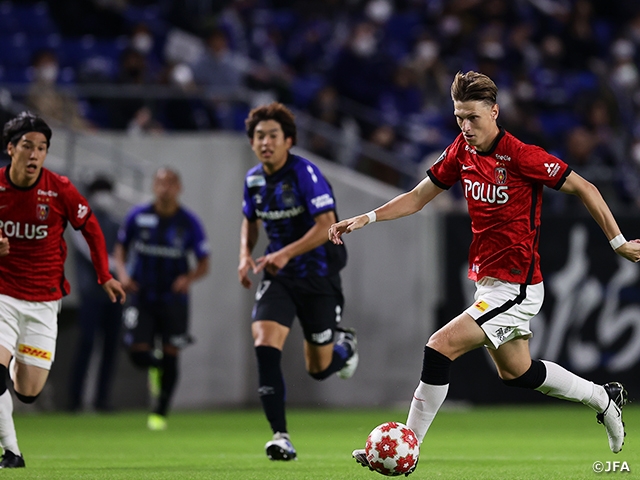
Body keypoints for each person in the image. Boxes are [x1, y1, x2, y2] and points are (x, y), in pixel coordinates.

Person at [329, 71, 640, 475]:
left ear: (494, 112)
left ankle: (407, 448)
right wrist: (366, 217)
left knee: (439, 346)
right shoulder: (461, 150)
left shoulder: (521, 155)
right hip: (488, 282)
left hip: (518, 285)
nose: (465, 126)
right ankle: (603, 398)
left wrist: (618, 243)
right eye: (459, 117)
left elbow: (586, 188)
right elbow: (418, 197)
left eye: (473, 118)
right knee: (518, 371)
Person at [0, 112, 126, 468]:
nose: (35, 154)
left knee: (27, 391)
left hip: (43, 300)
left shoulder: (59, 189)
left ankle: (8, 364)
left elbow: (91, 228)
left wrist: (104, 275)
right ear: (11, 149)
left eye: (42, 148)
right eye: (28, 146)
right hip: (3, 294)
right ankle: (12, 452)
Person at [238, 102, 359, 461]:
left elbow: (327, 224)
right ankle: (280, 436)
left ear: (288, 140)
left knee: (319, 368)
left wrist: (286, 252)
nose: (265, 142)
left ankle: (345, 347)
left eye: (273, 135)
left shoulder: (305, 173)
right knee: (264, 342)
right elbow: (249, 219)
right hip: (281, 277)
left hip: (319, 276)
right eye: (259, 136)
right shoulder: (253, 179)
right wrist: (245, 254)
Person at [114, 167, 209, 431]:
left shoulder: (188, 222)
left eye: (170, 183)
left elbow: (204, 263)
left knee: (172, 353)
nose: (164, 188)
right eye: (160, 183)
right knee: (136, 351)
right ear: (154, 186)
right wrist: (122, 273)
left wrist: (187, 278)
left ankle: (160, 411)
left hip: (173, 299)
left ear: (179, 188)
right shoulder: (139, 215)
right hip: (141, 294)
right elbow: (121, 247)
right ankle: (156, 368)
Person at [68, 176, 122, 413]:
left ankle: (102, 400)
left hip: (114, 295)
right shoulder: (81, 223)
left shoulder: (116, 224)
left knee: (111, 348)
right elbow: (90, 251)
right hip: (91, 294)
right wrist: (115, 266)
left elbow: (125, 251)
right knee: (87, 344)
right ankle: (75, 400)